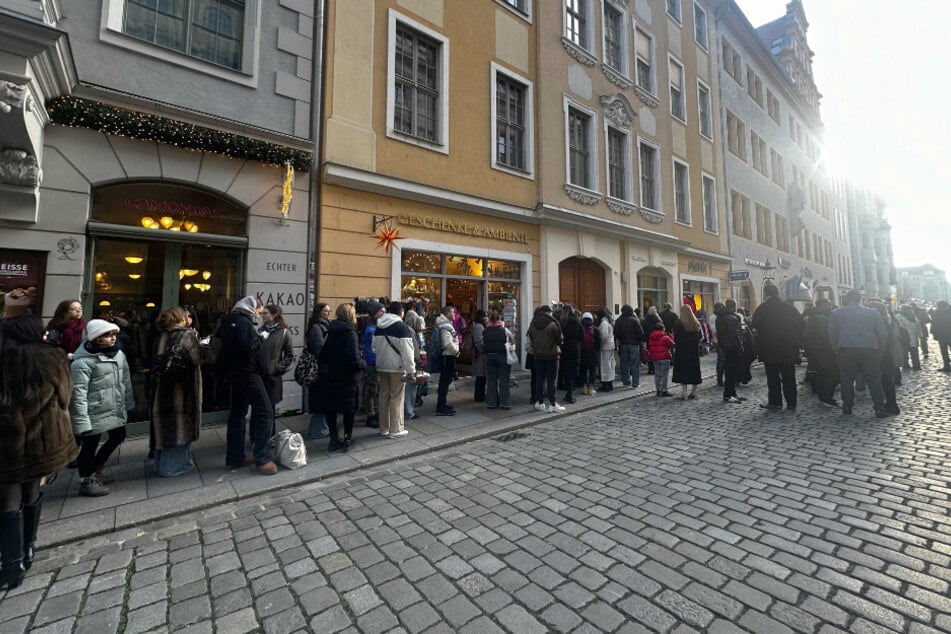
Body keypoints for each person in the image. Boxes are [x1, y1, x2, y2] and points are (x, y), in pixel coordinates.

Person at [0, 316, 77, 590]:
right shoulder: (52, 357)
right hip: (43, 434)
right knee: (31, 489)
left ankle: (11, 564)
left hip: (7, 436)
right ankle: (28, 550)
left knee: (8, 495)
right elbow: (65, 397)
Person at [69, 319, 134, 496]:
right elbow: (78, 394)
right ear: (96, 338)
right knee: (90, 444)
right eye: (107, 335)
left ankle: (96, 467)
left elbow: (125, 380)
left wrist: (128, 402)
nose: (112, 338)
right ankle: (86, 480)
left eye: (114, 334)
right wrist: (80, 420)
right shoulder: (82, 362)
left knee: (119, 435)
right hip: (94, 409)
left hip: (114, 406)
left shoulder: (118, 354)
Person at [219, 296, 277, 475]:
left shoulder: (227, 321)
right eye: (259, 310)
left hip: (235, 373)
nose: (259, 314)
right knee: (264, 412)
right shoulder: (243, 323)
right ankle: (263, 458)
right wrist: (260, 338)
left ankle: (234, 457)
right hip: (249, 373)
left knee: (237, 414)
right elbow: (249, 348)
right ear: (253, 307)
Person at [150, 307, 202, 477]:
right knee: (181, 425)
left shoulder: (161, 336)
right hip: (182, 390)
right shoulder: (187, 335)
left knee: (164, 426)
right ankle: (176, 467)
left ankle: (161, 465)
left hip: (161, 388)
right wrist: (204, 345)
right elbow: (196, 359)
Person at [829, 289, 889, 417]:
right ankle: (879, 407)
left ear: (846, 298)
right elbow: (882, 333)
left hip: (845, 348)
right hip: (869, 348)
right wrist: (881, 349)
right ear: (859, 299)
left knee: (846, 379)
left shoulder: (836, 313)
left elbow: (832, 333)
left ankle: (847, 406)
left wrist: (835, 348)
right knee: (874, 379)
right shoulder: (873, 313)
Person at [315, 303, 365, 450]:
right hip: (347, 377)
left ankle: (333, 439)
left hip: (332, 375)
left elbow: (322, 355)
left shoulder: (331, 330)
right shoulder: (350, 333)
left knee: (332, 408)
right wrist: (363, 364)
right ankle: (347, 438)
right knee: (349, 409)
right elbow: (353, 358)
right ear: (351, 315)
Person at [750, 284, 805, 412]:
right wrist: (798, 344)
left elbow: (754, 326)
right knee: (789, 378)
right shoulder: (789, 308)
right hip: (788, 349)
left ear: (766, 294)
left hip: (770, 349)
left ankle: (775, 403)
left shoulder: (763, 308)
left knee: (773, 378)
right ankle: (791, 403)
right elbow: (801, 325)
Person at [372, 301, 416, 438]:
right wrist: (411, 370)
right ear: (401, 312)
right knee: (397, 397)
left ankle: (384, 428)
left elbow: (374, 348)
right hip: (397, 367)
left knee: (383, 396)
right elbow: (408, 352)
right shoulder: (402, 328)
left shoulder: (379, 327)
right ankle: (396, 429)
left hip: (382, 366)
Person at [527, 305, 565, 413]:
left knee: (539, 380)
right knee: (551, 380)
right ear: (548, 312)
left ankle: (540, 402)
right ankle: (553, 403)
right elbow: (560, 340)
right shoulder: (553, 324)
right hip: (552, 356)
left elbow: (531, 338)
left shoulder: (533, 324)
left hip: (538, 356)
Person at [258, 304, 295, 415]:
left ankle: (270, 432)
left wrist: (276, 368)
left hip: (272, 377)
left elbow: (289, 355)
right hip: (259, 376)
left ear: (274, 315)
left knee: (270, 410)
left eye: (265, 313)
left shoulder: (283, 333)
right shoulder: (260, 331)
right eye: (262, 313)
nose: (262, 315)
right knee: (259, 409)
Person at [868, 300, 902, 415]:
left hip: (880, 352)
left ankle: (890, 405)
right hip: (887, 353)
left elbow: (882, 337)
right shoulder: (889, 320)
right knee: (887, 380)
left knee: (883, 380)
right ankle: (891, 403)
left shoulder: (880, 321)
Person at [804, 298, 839, 407]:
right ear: (821, 305)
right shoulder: (821, 318)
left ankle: (823, 396)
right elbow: (826, 335)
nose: (830, 306)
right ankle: (826, 396)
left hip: (816, 349)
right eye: (828, 304)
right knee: (833, 373)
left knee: (821, 373)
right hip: (824, 349)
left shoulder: (814, 316)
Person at [306, 302, 332, 438]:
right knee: (321, 400)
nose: (328, 313)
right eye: (326, 311)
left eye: (329, 311)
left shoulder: (323, 326)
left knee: (322, 400)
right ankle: (318, 430)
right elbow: (317, 350)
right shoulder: (317, 328)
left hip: (323, 368)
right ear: (320, 312)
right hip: (320, 370)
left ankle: (318, 428)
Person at [431, 305, 460, 416]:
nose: (454, 314)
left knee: (445, 382)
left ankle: (442, 404)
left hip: (446, 356)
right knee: (444, 382)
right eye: (453, 312)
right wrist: (456, 352)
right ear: (447, 313)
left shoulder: (443, 325)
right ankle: (441, 407)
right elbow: (447, 343)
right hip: (447, 356)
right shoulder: (445, 326)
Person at [483, 312, 515, 409]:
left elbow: (482, 342)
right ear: (500, 320)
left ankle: (491, 403)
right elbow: (512, 341)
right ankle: (504, 404)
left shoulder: (486, 330)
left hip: (489, 357)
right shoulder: (504, 330)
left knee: (491, 381)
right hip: (502, 357)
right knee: (504, 381)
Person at [716, 299, 745, 404]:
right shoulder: (731, 318)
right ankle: (728, 395)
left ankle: (732, 393)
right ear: (734, 306)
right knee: (731, 372)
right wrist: (740, 348)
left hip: (725, 346)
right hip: (732, 347)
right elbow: (735, 335)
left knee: (730, 371)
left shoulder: (721, 316)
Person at [362, 301, 384, 428]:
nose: (383, 314)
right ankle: (370, 415)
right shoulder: (371, 329)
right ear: (375, 313)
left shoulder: (375, 327)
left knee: (376, 389)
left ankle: (375, 413)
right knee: (372, 389)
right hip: (372, 362)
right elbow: (373, 347)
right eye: (381, 311)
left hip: (376, 361)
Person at [672, 304, 702, 400]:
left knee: (683, 370)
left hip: (682, 350)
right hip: (693, 350)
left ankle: (684, 393)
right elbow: (699, 338)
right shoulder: (696, 323)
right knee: (694, 370)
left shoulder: (679, 323)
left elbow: (676, 338)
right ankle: (693, 392)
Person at [614, 305, 644, 389]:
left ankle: (626, 381)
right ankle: (635, 383)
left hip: (623, 344)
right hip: (634, 344)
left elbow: (615, 333)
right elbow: (640, 332)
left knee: (624, 363)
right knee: (635, 364)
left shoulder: (618, 321)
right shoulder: (634, 320)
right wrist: (640, 341)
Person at [403, 307, 425, 420]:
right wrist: (419, 362)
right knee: (410, 388)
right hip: (411, 363)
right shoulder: (410, 331)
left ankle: (407, 410)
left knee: (407, 388)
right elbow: (414, 350)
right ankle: (409, 412)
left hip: (404, 363)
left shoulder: (403, 328)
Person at [559, 309, 583, 404]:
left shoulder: (562, 324)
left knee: (566, 371)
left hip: (564, 349)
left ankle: (568, 393)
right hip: (575, 349)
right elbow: (582, 338)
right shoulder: (578, 324)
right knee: (573, 371)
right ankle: (571, 394)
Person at [648, 323, 675, 397]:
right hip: (664, 357)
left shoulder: (651, 337)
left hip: (655, 358)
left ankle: (658, 390)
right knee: (664, 374)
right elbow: (672, 344)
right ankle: (664, 390)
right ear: (663, 328)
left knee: (657, 374)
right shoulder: (665, 337)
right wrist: (672, 336)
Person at [595, 307, 616, 392]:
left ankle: (606, 384)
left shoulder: (603, 323)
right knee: (609, 366)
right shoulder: (607, 322)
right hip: (610, 346)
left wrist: (599, 344)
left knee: (605, 366)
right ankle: (609, 383)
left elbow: (603, 336)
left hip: (605, 347)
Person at [579, 312, 599, 395]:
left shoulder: (580, 328)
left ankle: (584, 388)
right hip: (592, 352)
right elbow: (598, 341)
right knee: (592, 370)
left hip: (582, 352)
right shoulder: (595, 328)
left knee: (583, 370)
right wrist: (596, 349)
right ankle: (591, 388)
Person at [896, 305, 921, 370]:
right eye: (906, 309)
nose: (908, 310)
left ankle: (916, 365)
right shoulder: (898, 316)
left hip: (913, 336)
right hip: (904, 337)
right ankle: (905, 364)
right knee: (904, 352)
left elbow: (918, 325)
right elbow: (897, 327)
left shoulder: (913, 316)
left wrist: (919, 334)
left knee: (914, 351)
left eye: (909, 309)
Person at [471, 309, 487, 402]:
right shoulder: (478, 326)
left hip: (480, 356)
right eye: (485, 316)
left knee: (481, 377)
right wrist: (484, 350)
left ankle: (480, 395)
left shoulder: (478, 326)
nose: (486, 318)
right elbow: (478, 342)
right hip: (479, 356)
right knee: (480, 377)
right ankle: (479, 396)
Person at [932, 300, 951, 372]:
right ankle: (946, 366)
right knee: (943, 351)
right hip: (941, 336)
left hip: (949, 335)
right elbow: (934, 323)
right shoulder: (937, 312)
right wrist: (934, 333)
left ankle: (947, 366)